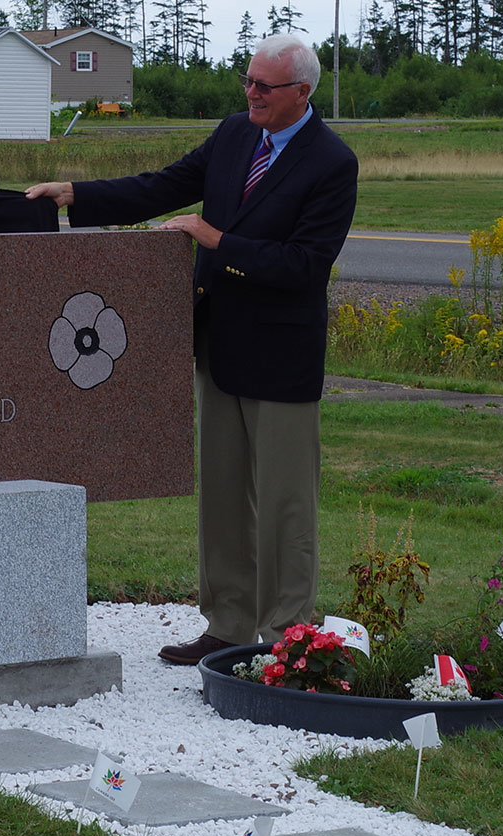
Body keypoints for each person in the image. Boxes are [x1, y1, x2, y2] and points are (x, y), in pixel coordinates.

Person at [26, 33, 358, 666]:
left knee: (286, 505)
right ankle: (228, 625)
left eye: (266, 86)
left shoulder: (331, 163)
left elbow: (304, 266)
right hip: (220, 348)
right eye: (249, 81)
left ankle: (288, 637)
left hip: (282, 361)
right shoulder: (235, 133)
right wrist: (76, 194)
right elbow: (164, 185)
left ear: (302, 93)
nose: (252, 94)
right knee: (224, 496)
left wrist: (214, 239)